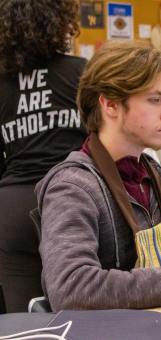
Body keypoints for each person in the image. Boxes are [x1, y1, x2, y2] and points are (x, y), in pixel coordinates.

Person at [35, 40, 161, 312]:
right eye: (155, 100)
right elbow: (71, 289)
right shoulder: (73, 187)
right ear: (110, 104)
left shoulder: (156, 175)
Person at [0, 0, 88, 313]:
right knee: (79, 315)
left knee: (21, 322)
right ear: (61, 20)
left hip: (11, 206)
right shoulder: (80, 71)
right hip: (70, 200)